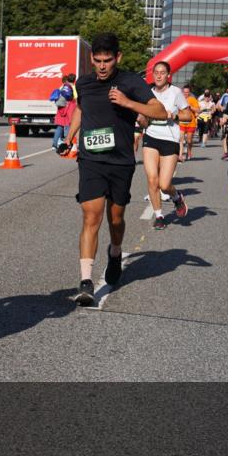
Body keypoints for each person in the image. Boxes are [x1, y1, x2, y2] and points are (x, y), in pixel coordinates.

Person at [58, 33, 167, 306]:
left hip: (121, 162)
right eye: (98, 61)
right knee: (90, 215)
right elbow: (80, 110)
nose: (102, 66)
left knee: (115, 219)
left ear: (118, 57)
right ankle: (86, 281)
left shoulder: (131, 82)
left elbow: (160, 111)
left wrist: (128, 103)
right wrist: (69, 137)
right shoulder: (84, 83)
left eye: (107, 60)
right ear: (92, 59)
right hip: (91, 160)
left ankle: (115, 252)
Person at [139, 61, 191, 230]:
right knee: (152, 179)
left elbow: (188, 115)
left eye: (162, 72)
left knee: (164, 184)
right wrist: (142, 119)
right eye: (156, 72)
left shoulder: (175, 92)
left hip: (170, 139)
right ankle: (159, 216)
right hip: (151, 137)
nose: (159, 75)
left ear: (169, 75)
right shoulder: (147, 93)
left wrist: (173, 116)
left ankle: (176, 197)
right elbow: (142, 119)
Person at [52, 77, 75, 149]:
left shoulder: (60, 88)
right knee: (68, 126)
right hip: (68, 108)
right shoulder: (71, 87)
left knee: (59, 127)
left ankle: (54, 145)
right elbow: (75, 97)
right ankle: (67, 144)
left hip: (60, 109)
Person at [178, 85, 199, 161]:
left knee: (189, 140)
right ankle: (180, 155)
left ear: (189, 92)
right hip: (181, 122)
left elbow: (198, 110)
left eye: (187, 92)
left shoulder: (193, 100)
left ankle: (189, 152)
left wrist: (190, 107)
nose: (185, 94)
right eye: (184, 92)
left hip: (191, 122)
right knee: (181, 139)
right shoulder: (179, 99)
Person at [217, 84, 228, 160]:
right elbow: (218, 105)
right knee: (225, 135)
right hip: (225, 118)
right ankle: (226, 153)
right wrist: (221, 108)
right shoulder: (225, 96)